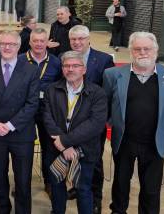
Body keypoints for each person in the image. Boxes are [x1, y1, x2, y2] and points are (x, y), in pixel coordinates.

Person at [104, 32, 164, 214]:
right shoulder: (113, 74)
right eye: (138, 49)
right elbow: (106, 104)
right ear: (131, 51)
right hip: (124, 140)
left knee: (151, 190)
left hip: (155, 141)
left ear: (155, 50)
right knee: (121, 185)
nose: (143, 52)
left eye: (147, 48)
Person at [0, 31, 40, 214]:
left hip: (21, 134)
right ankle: (3, 207)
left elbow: (32, 103)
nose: (7, 47)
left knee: (22, 179)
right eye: (3, 44)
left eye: (11, 44)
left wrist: (11, 125)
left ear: (18, 47)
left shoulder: (31, 70)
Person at [42, 51, 108, 214]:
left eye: (75, 66)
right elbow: (47, 117)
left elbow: (95, 124)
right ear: (62, 69)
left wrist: (66, 141)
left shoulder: (97, 93)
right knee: (57, 186)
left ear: (84, 69)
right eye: (66, 66)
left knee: (83, 188)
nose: (70, 69)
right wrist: (64, 146)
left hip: (85, 149)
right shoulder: (52, 89)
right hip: (56, 149)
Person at [68, 25, 114, 210]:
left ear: (88, 39)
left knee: (93, 161)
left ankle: (95, 200)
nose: (77, 42)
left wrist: (103, 120)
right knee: (73, 158)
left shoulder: (104, 60)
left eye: (81, 39)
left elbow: (109, 94)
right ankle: (77, 188)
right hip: (70, 121)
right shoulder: (65, 58)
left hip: (93, 123)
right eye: (73, 39)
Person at [17, 28, 62, 198]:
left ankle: (49, 182)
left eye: (42, 41)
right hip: (25, 110)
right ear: (29, 42)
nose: (38, 44)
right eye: (35, 41)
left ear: (47, 42)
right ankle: (22, 184)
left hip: (47, 112)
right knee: (23, 150)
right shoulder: (20, 60)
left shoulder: (56, 63)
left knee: (49, 148)